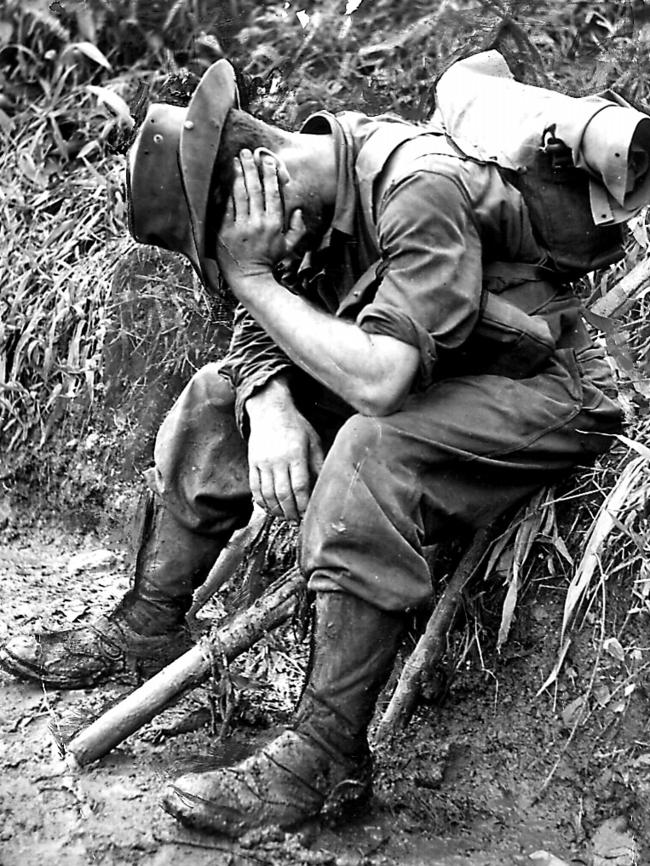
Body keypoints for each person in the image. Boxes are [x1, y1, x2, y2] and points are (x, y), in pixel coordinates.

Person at [2, 51, 646, 836]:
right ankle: (148, 623)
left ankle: (325, 755)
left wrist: (255, 278)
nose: (236, 262)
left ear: (255, 177)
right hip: (445, 373)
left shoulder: (416, 189)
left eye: (222, 245)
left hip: (546, 386)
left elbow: (378, 383)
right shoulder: (313, 179)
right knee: (218, 396)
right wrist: (269, 400)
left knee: (371, 452)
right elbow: (265, 318)